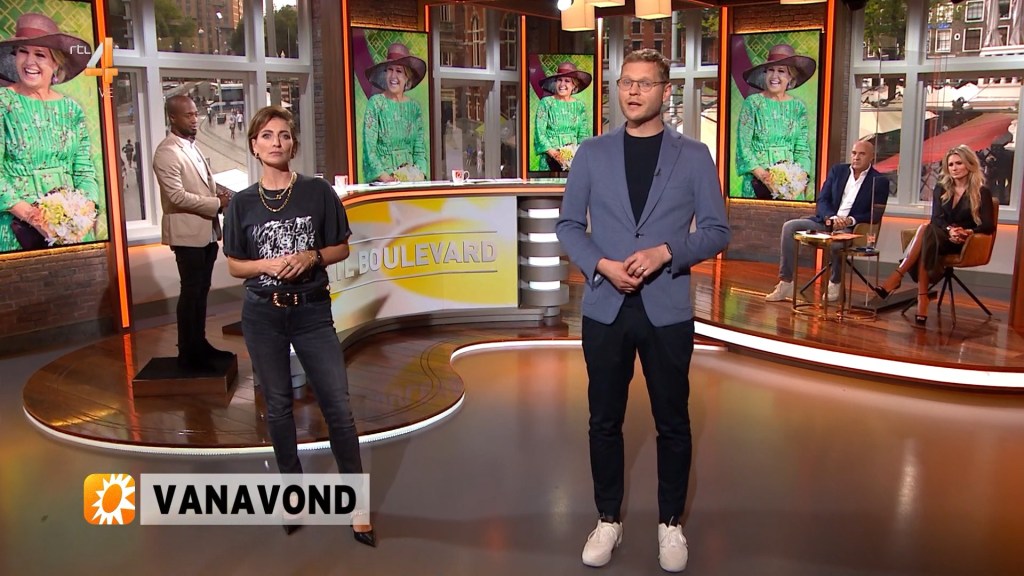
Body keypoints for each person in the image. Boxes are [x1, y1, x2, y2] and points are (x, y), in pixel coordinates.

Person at [556, 49, 730, 573]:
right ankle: (607, 518)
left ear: (665, 91)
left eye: (645, 83)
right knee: (603, 421)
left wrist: (666, 253)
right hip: (605, 307)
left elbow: (717, 230)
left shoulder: (694, 155)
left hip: (666, 309)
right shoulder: (591, 153)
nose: (633, 91)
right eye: (626, 82)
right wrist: (601, 265)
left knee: (673, 421)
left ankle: (670, 524)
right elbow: (569, 225)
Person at [222, 105, 375, 545]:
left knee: (338, 406)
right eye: (267, 135)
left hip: (311, 312)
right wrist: (266, 264)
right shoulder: (241, 204)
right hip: (262, 315)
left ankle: (357, 505)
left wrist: (311, 256)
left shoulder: (317, 192)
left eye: (284, 135)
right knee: (278, 406)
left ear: (294, 144)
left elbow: (341, 248)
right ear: (254, 145)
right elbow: (234, 265)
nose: (276, 142)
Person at [0, 13, 99, 253]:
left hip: (70, 233)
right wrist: (34, 218)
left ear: (56, 63)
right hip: (17, 233)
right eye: (23, 52)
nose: (29, 61)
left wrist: (84, 213)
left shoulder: (71, 109)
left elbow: (84, 168)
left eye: (40, 54)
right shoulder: (3, 103)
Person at [872, 145, 995, 324]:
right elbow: (936, 219)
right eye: (950, 164)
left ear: (969, 164)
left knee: (925, 233)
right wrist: (949, 230)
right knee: (927, 232)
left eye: (959, 163)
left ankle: (898, 277)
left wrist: (967, 232)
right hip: (943, 236)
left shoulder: (982, 192)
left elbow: (988, 225)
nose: (954, 168)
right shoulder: (941, 188)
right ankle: (922, 298)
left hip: (964, 241)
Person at [153, 94, 233, 370]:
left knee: (200, 291)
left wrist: (221, 193)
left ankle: (199, 344)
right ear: (172, 118)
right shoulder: (167, 152)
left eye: (195, 114)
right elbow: (176, 196)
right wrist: (216, 203)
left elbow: (199, 186)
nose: (195, 119)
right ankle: (188, 352)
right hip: (187, 234)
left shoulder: (191, 147)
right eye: (188, 115)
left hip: (206, 232)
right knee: (191, 292)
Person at [765, 141, 890, 303]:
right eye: (854, 153)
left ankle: (835, 282)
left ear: (872, 157)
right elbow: (822, 200)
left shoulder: (879, 181)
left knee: (837, 243)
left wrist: (850, 220)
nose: (856, 157)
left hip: (851, 228)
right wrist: (831, 217)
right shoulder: (838, 171)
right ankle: (786, 282)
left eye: (862, 154)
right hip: (826, 222)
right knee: (790, 227)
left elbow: (875, 214)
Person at [735, 44, 816, 199]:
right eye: (771, 70)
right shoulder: (753, 103)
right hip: (758, 185)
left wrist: (800, 179)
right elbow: (743, 148)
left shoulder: (798, 107)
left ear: (791, 76)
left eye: (781, 71)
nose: (774, 76)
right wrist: (765, 178)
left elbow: (802, 150)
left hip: (790, 189)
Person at [362, 43, 428, 183]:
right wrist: (388, 179)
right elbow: (369, 150)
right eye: (390, 70)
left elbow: (419, 151)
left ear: (407, 77)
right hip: (383, 184)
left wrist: (419, 175)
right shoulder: (376, 104)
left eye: (399, 71)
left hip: (410, 183)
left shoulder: (414, 108)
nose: (393, 76)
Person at [534, 61, 592, 172]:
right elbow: (539, 134)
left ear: (574, 85)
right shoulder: (546, 103)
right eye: (559, 80)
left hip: (573, 163)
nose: (562, 84)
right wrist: (556, 155)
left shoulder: (580, 106)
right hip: (550, 162)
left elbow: (583, 135)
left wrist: (576, 157)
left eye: (567, 81)